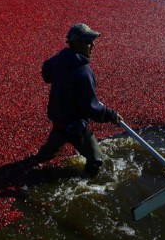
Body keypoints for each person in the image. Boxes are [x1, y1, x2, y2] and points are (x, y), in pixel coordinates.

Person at [35, 23, 122, 177]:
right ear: (76, 43)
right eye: (88, 42)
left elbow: (46, 74)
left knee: (49, 150)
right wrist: (111, 114)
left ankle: (33, 167)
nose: (93, 45)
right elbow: (91, 107)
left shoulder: (58, 59)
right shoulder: (83, 71)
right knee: (96, 160)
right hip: (75, 126)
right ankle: (88, 183)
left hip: (59, 119)